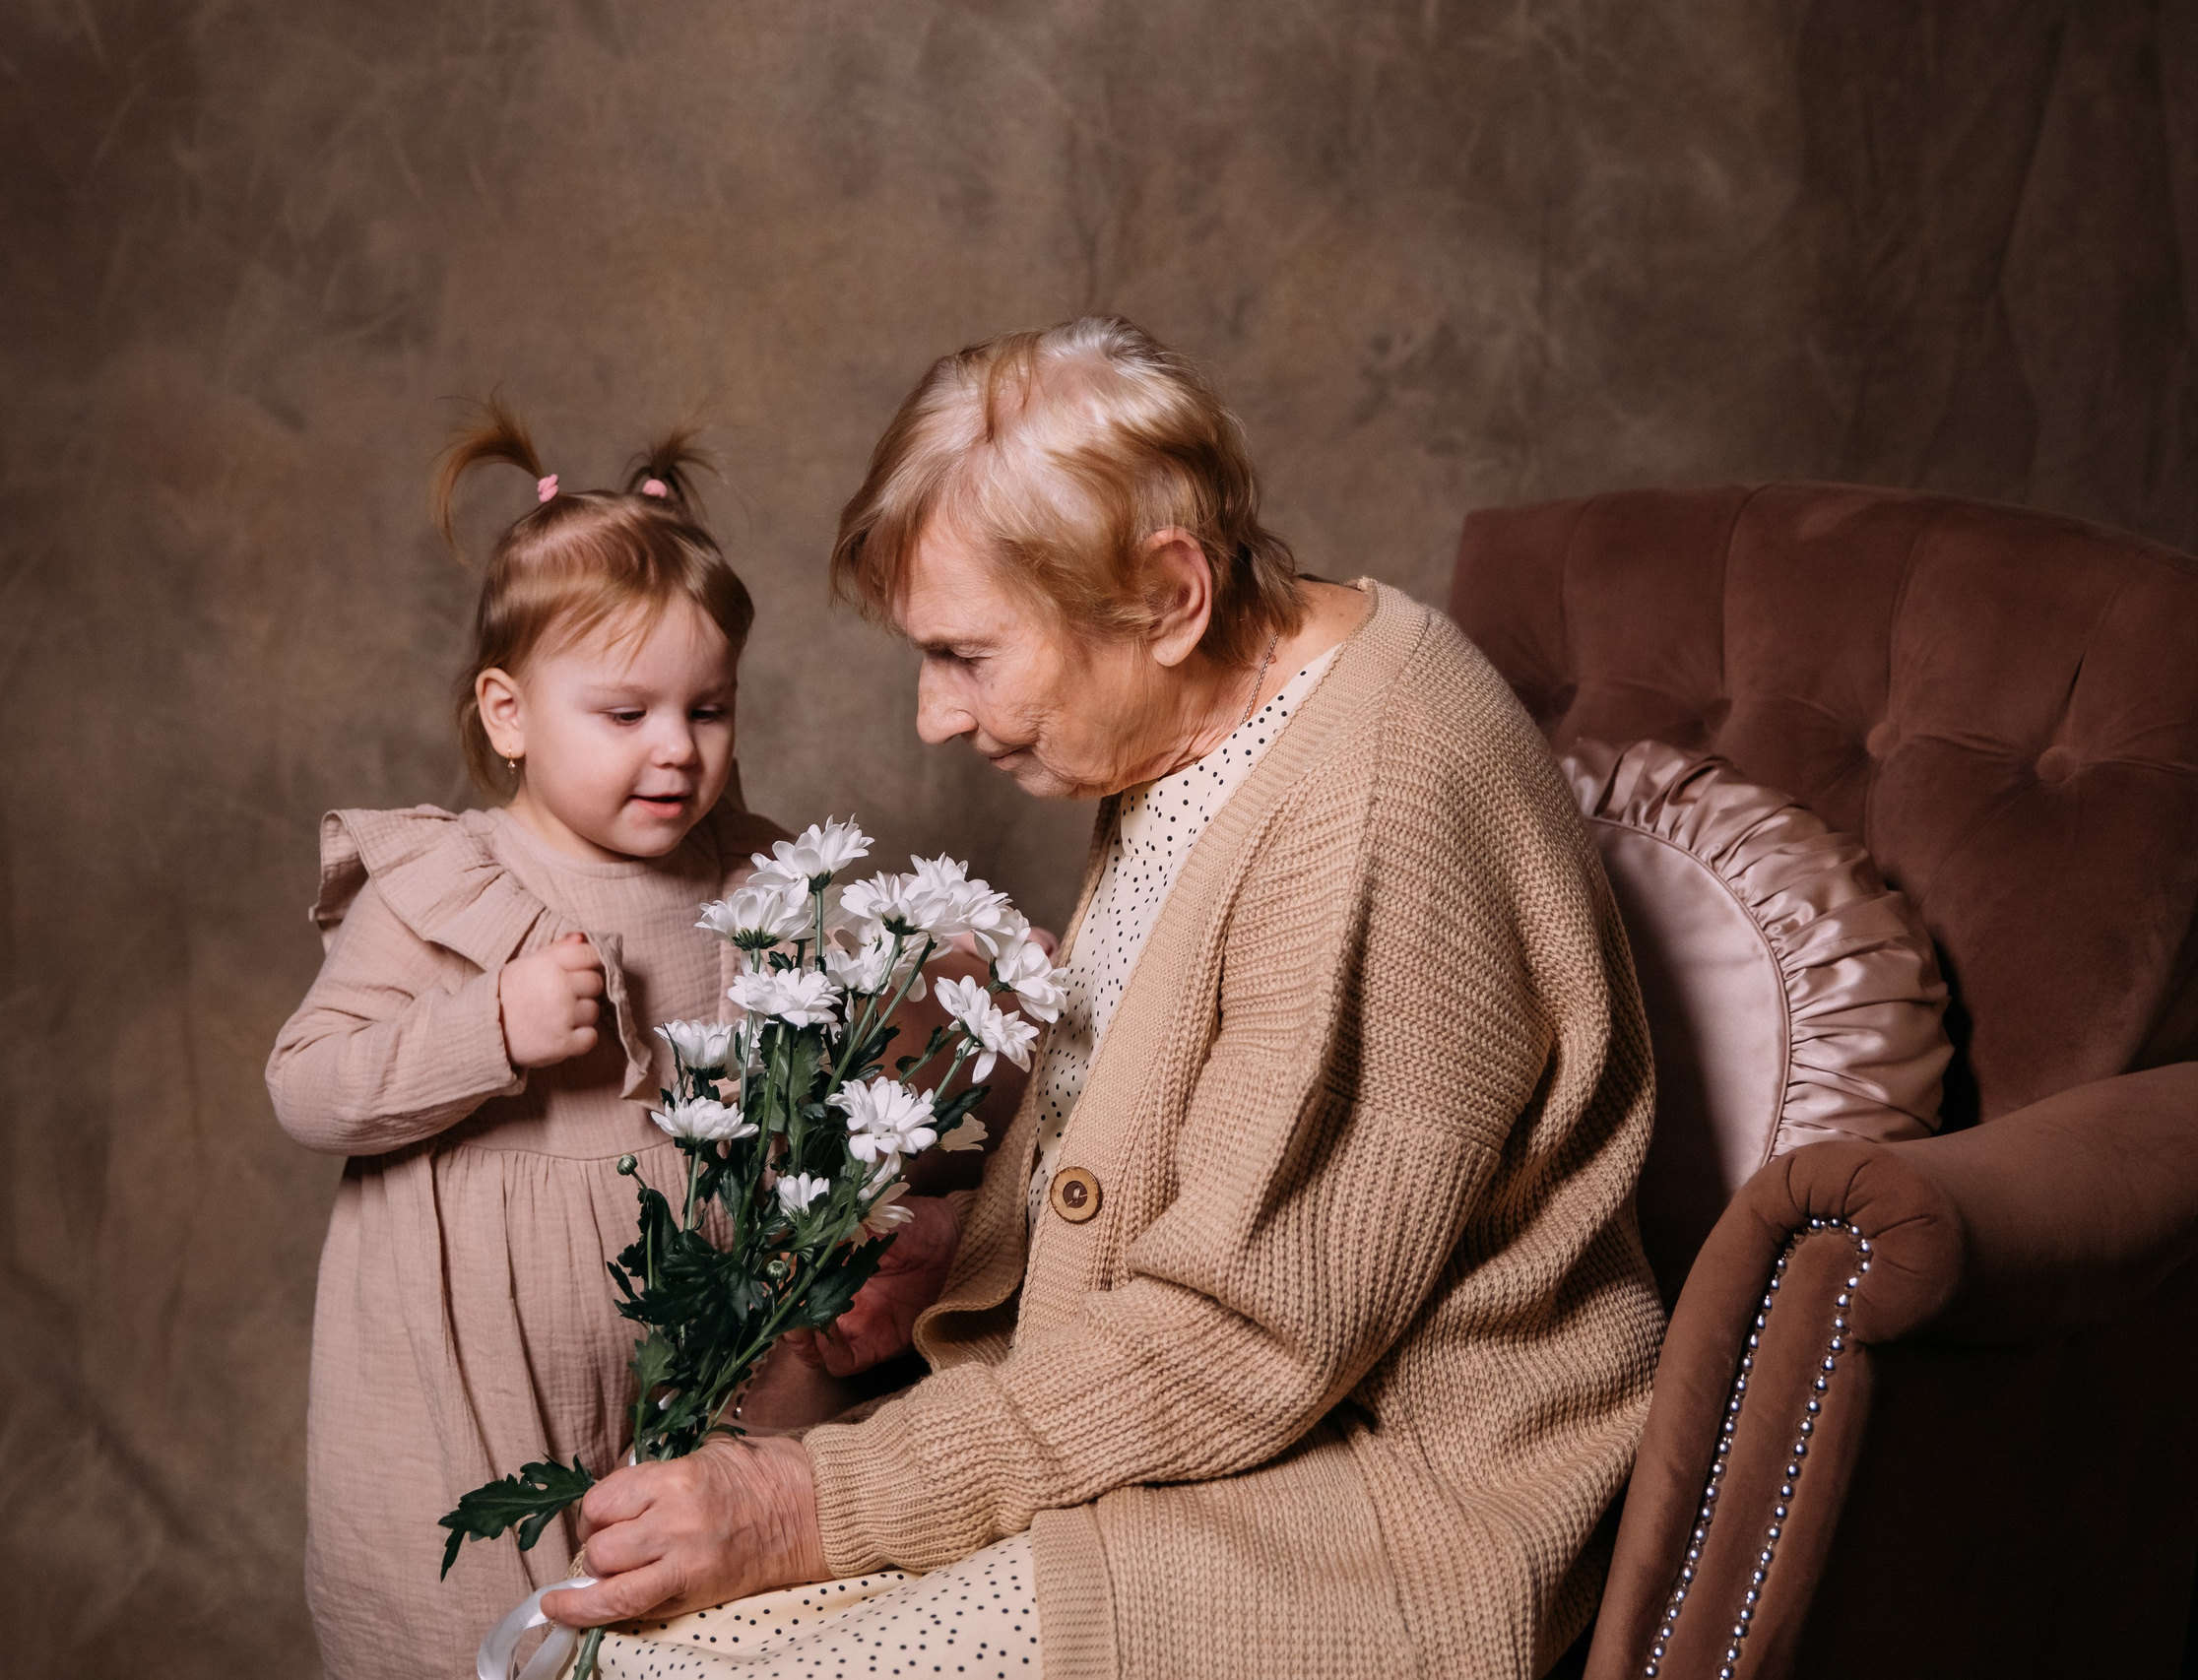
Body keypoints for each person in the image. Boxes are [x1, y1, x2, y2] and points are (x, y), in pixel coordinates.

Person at [546, 318, 1667, 1680]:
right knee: (587, 1653)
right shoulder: (1195, 715)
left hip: (1383, 1506)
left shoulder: (1373, 804)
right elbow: (1170, 1128)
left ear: (1170, 592)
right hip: (1220, 1437)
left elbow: (1243, 1334)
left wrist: (820, 1499)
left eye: (965, 655)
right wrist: (973, 1245)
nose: (932, 720)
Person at [265, 410, 809, 1680]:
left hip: (694, 1354)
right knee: (462, 1635)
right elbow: (308, 1089)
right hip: (465, 1376)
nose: (678, 749)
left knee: (690, 1634)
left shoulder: (754, 875)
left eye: (709, 709)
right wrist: (484, 1030)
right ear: (507, 715)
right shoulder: (441, 885)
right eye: (625, 714)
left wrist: (928, 983)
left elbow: (815, 1070)